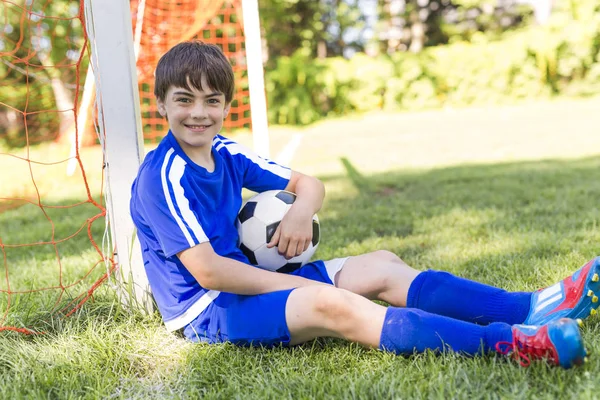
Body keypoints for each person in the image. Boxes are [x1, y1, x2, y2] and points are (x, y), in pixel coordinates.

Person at [130, 40, 597, 369]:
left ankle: (532, 307)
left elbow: (308, 183)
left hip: (252, 281)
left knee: (382, 264)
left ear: (227, 106)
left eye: (212, 101)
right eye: (184, 100)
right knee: (333, 304)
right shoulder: (163, 176)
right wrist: (288, 286)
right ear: (161, 105)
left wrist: (299, 211)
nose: (199, 113)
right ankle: (514, 345)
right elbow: (209, 272)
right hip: (211, 306)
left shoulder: (227, 151)